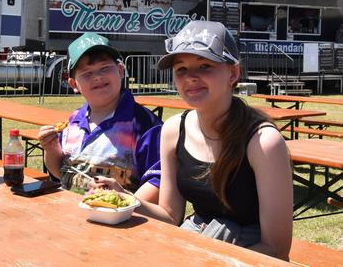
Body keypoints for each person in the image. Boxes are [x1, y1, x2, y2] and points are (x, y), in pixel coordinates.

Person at [93, 21, 293, 260]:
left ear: (233, 73)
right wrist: (126, 198)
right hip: (198, 241)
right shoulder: (173, 130)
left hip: (246, 254)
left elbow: (276, 250)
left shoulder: (263, 142)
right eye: (181, 69)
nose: (190, 78)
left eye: (205, 66)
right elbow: (169, 215)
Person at [37, 32, 162, 202]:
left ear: (120, 71)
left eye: (104, 68)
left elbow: (158, 181)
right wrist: (51, 148)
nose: (97, 77)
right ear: (74, 84)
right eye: (87, 73)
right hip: (71, 216)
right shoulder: (74, 121)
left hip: (120, 222)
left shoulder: (145, 125)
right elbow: (60, 171)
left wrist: (122, 204)